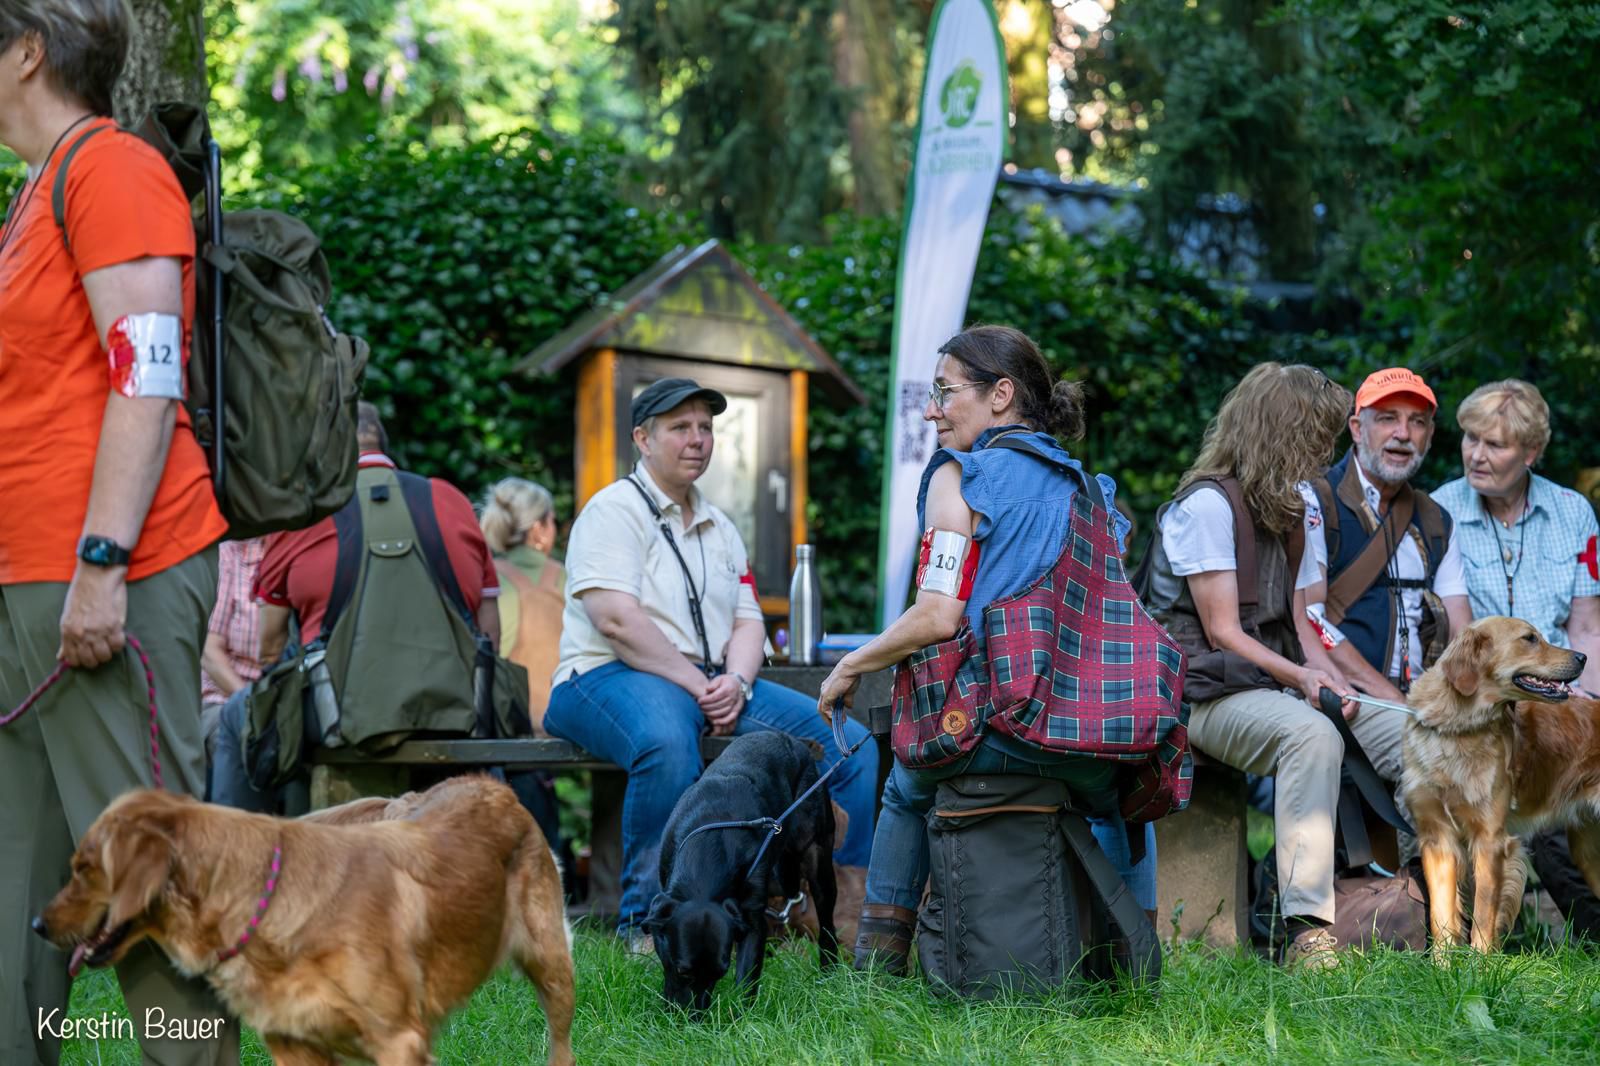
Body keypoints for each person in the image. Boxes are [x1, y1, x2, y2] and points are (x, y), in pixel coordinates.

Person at [0, 5, 238, 1063]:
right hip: (27, 581)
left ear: (26, 52)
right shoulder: (36, 189)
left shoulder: (114, 169)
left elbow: (144, 374)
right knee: (21, 884)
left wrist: (101, 563)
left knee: (147, 884)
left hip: (105, 580)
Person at [817, 325, 1157, 975]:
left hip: (987, 728)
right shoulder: (1092, 490)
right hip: (1083, 733)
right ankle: (1129, 968)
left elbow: (938, 615)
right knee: (1115, 804)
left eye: (945, 392)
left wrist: (853, 662)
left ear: (1001, 394)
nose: (930, 410)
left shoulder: (959, 476)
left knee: (905, 792)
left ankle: (874, 968)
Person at [543, 377, 878, 951]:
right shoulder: (613, 510)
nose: (697, 440)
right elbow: (615, 618)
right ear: (643, 439)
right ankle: (647, 928)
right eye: (680, 428)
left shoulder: (720, 526)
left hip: (709, 682)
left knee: (850, 745)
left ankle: (840, 913)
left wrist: (739, 681)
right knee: (666, 742)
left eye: (705, 428)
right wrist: (703, 684)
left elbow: (749, 622)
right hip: (604, 674)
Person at [1141, 363, 1361, 969]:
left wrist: (1332, 679)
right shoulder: (1207, 506)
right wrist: (1303, 682)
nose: (1327, 455)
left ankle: (1411, 909)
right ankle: (1309, 933)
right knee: (1309, 735)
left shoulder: (1296, 509)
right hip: (1196, 695)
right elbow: (1223, 634)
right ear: (1284, 434)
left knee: (1383, 727)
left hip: (1260, 685)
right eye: (1319, 440)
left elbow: (1300, 625)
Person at [209, 403, 500, 811]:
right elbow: (488, 633)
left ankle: (240, 861)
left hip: (339, 717)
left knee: (237, 717)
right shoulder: (450, 501)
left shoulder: (304, 515)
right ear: (384, 443)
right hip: (455, 710)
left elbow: (271, 650)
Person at [1431, 379, 1600, 937]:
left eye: (1495, 444)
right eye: (1470, 438)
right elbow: (1458, 634)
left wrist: (1586, 699)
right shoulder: (1440, 512)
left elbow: (1587, 628)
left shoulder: (1574, 513)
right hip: (1479, 699)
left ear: (1530, 453)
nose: (1476, 454)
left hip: (1559, 694)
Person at [1298, 369, 1471, 703]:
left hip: (1426, 698)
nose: (1403, 434)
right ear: (1358, 429)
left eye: (1417, 422)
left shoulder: (1438, 521)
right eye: (1388, 419)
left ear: (1430, 435)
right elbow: (1309, 618)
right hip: (1342, 695)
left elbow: (1460, 631)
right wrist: (1393, 701)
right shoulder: (1316, 501)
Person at [480, 477, 566, 854]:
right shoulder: (565, 578)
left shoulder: (488, 578)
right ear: (539, 528)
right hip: (567, 722)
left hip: (506, 726)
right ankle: (608, 888)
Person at [200, 536, 267, 773]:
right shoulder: (231, 556)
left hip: (282, 701)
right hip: (226, 699)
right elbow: (209, 650)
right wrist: (253, 704)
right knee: (243, 742)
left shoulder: (300, 551)